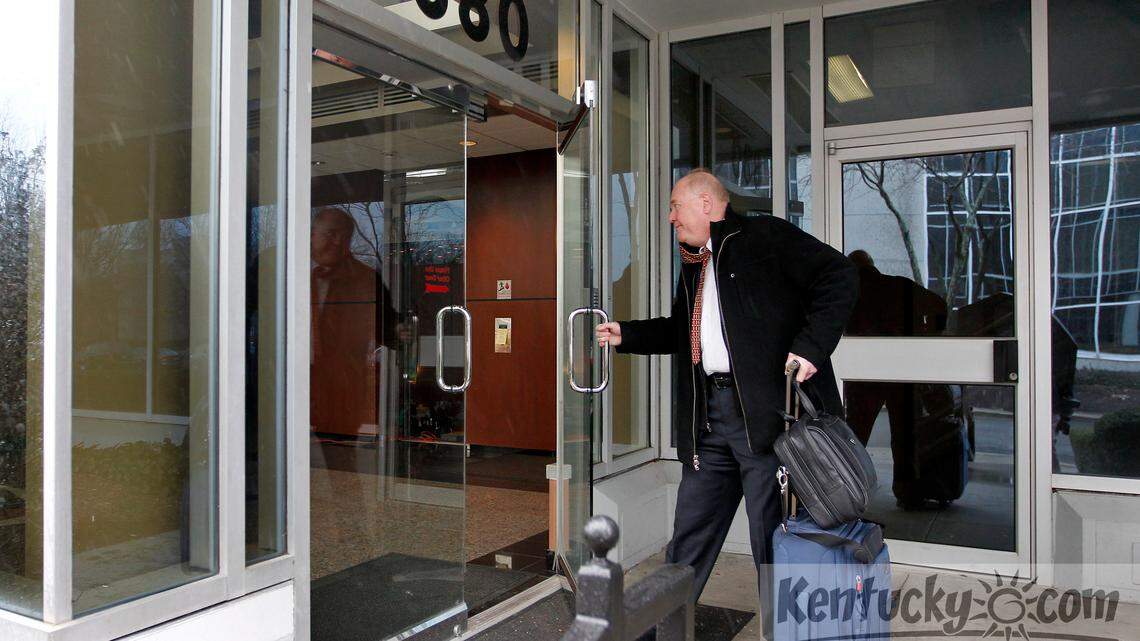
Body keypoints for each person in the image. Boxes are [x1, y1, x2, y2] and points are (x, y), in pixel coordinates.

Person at [595, 168, 858, 640]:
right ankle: (661, 632)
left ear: (706, 204)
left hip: (767, 421)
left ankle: (791, 633)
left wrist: (811, 348)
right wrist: (628, 334)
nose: (671, 217)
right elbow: (685, 331)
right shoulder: (696, 265)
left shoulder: (765, 237)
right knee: (690, 536)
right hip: (710, 422)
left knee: (773, 544)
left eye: (676, 206)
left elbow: (839, 276)